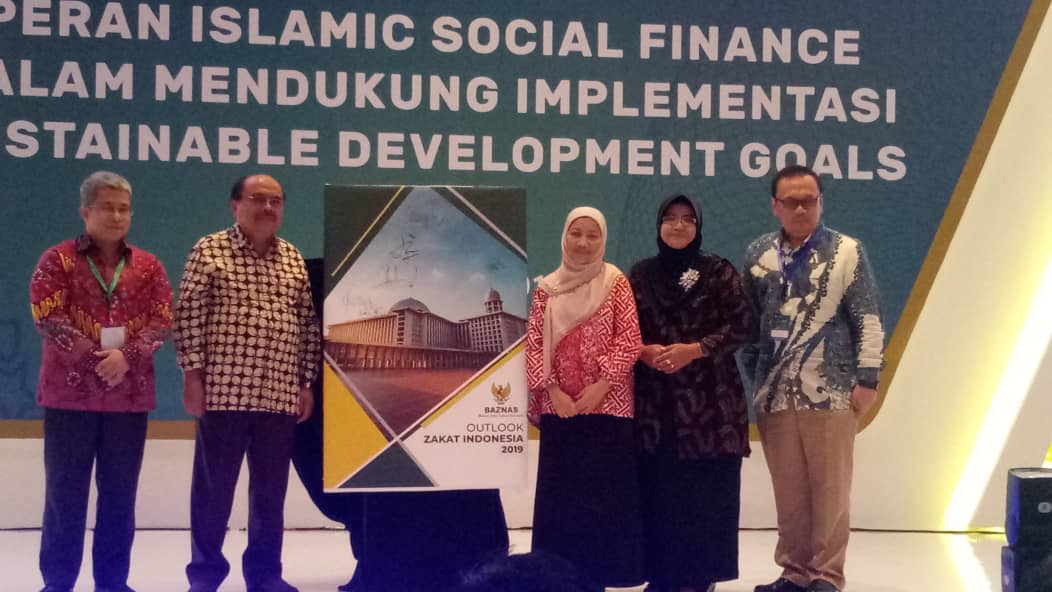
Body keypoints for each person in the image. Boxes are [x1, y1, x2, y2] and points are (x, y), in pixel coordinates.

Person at [174, 174, 321, 592]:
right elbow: (188, 316)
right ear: (235, 205)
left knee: (270, 496)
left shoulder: (292, 257)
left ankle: (265, 574)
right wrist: (192, 376)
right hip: (223, 393)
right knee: (213, 493)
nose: (268, 208)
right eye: (258, 199)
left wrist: (305, 382)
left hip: (279, 396)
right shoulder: (210, 250)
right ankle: (205, 575)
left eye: (276, 201)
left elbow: (307, 325)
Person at [741, 165, 884, 592]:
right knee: (789, 492)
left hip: (832, 391)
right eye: (791, 201)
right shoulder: (758, 254)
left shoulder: (847, 251)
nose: (801, 209)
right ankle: (794, 572)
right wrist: (758, 379)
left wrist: (868, 379)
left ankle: (826, 575)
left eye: (809, 200)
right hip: (775, 395)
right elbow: (748, 326)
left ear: (821, 202)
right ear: (775, 206)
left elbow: (868, 318)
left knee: (831, 489)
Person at [30, 171, 172, 592]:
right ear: (85, 211)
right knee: (64, 497)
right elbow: (48, 318)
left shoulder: (149, 266)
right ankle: (57, 583)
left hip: (129, 400)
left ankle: (113, 582)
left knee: (120, 498)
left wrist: (127, 356)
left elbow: (163, 321)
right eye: (107, 207)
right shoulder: (57, 260)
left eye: (123, 208)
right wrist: (97, 359)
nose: (116, 216)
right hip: (69, 400)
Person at [628, 195, 753, 592]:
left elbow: (744, 325)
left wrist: (695, 349)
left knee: (703, 493)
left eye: (687, 219)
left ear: (698, 227)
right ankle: (662, 576)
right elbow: (623, 329)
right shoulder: (640, 274)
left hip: (708, 405)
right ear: (659, 226)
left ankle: (699, 577)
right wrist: (643, 351)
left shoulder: (717, 271)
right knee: (658, 491)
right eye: (670, 218)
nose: (678, 226)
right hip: (654, 404)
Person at [525, 206, 644, 588]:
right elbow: (534, 345)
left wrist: (603, 385)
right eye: (576, 233)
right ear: (564, 236)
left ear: (603, 240)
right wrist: (552, 390)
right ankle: (558, 578)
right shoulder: (547, 289)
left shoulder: (615, 282)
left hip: (608, 406)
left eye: (593, 235)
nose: (583, 242)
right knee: (562, 496)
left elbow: (629, 339)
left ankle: (603, 574)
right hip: (560, 407)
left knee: (604, 494)